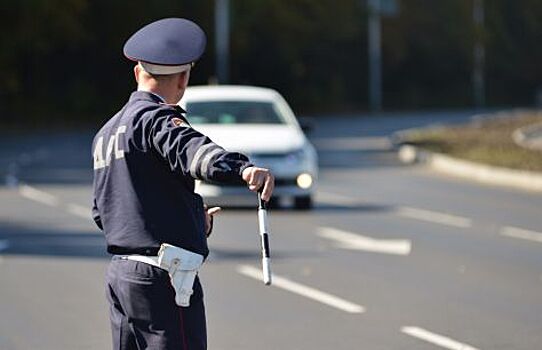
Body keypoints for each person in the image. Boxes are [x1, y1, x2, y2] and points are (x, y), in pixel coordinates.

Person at [91, 18, 274, 350]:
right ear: (184, 78)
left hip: (121, 275)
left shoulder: (106, 133)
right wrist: (243, 170)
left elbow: (105, 211)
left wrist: (187, 221)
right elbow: (196, 155)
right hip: (163, 280)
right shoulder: (156, 120)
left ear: (137, 73)